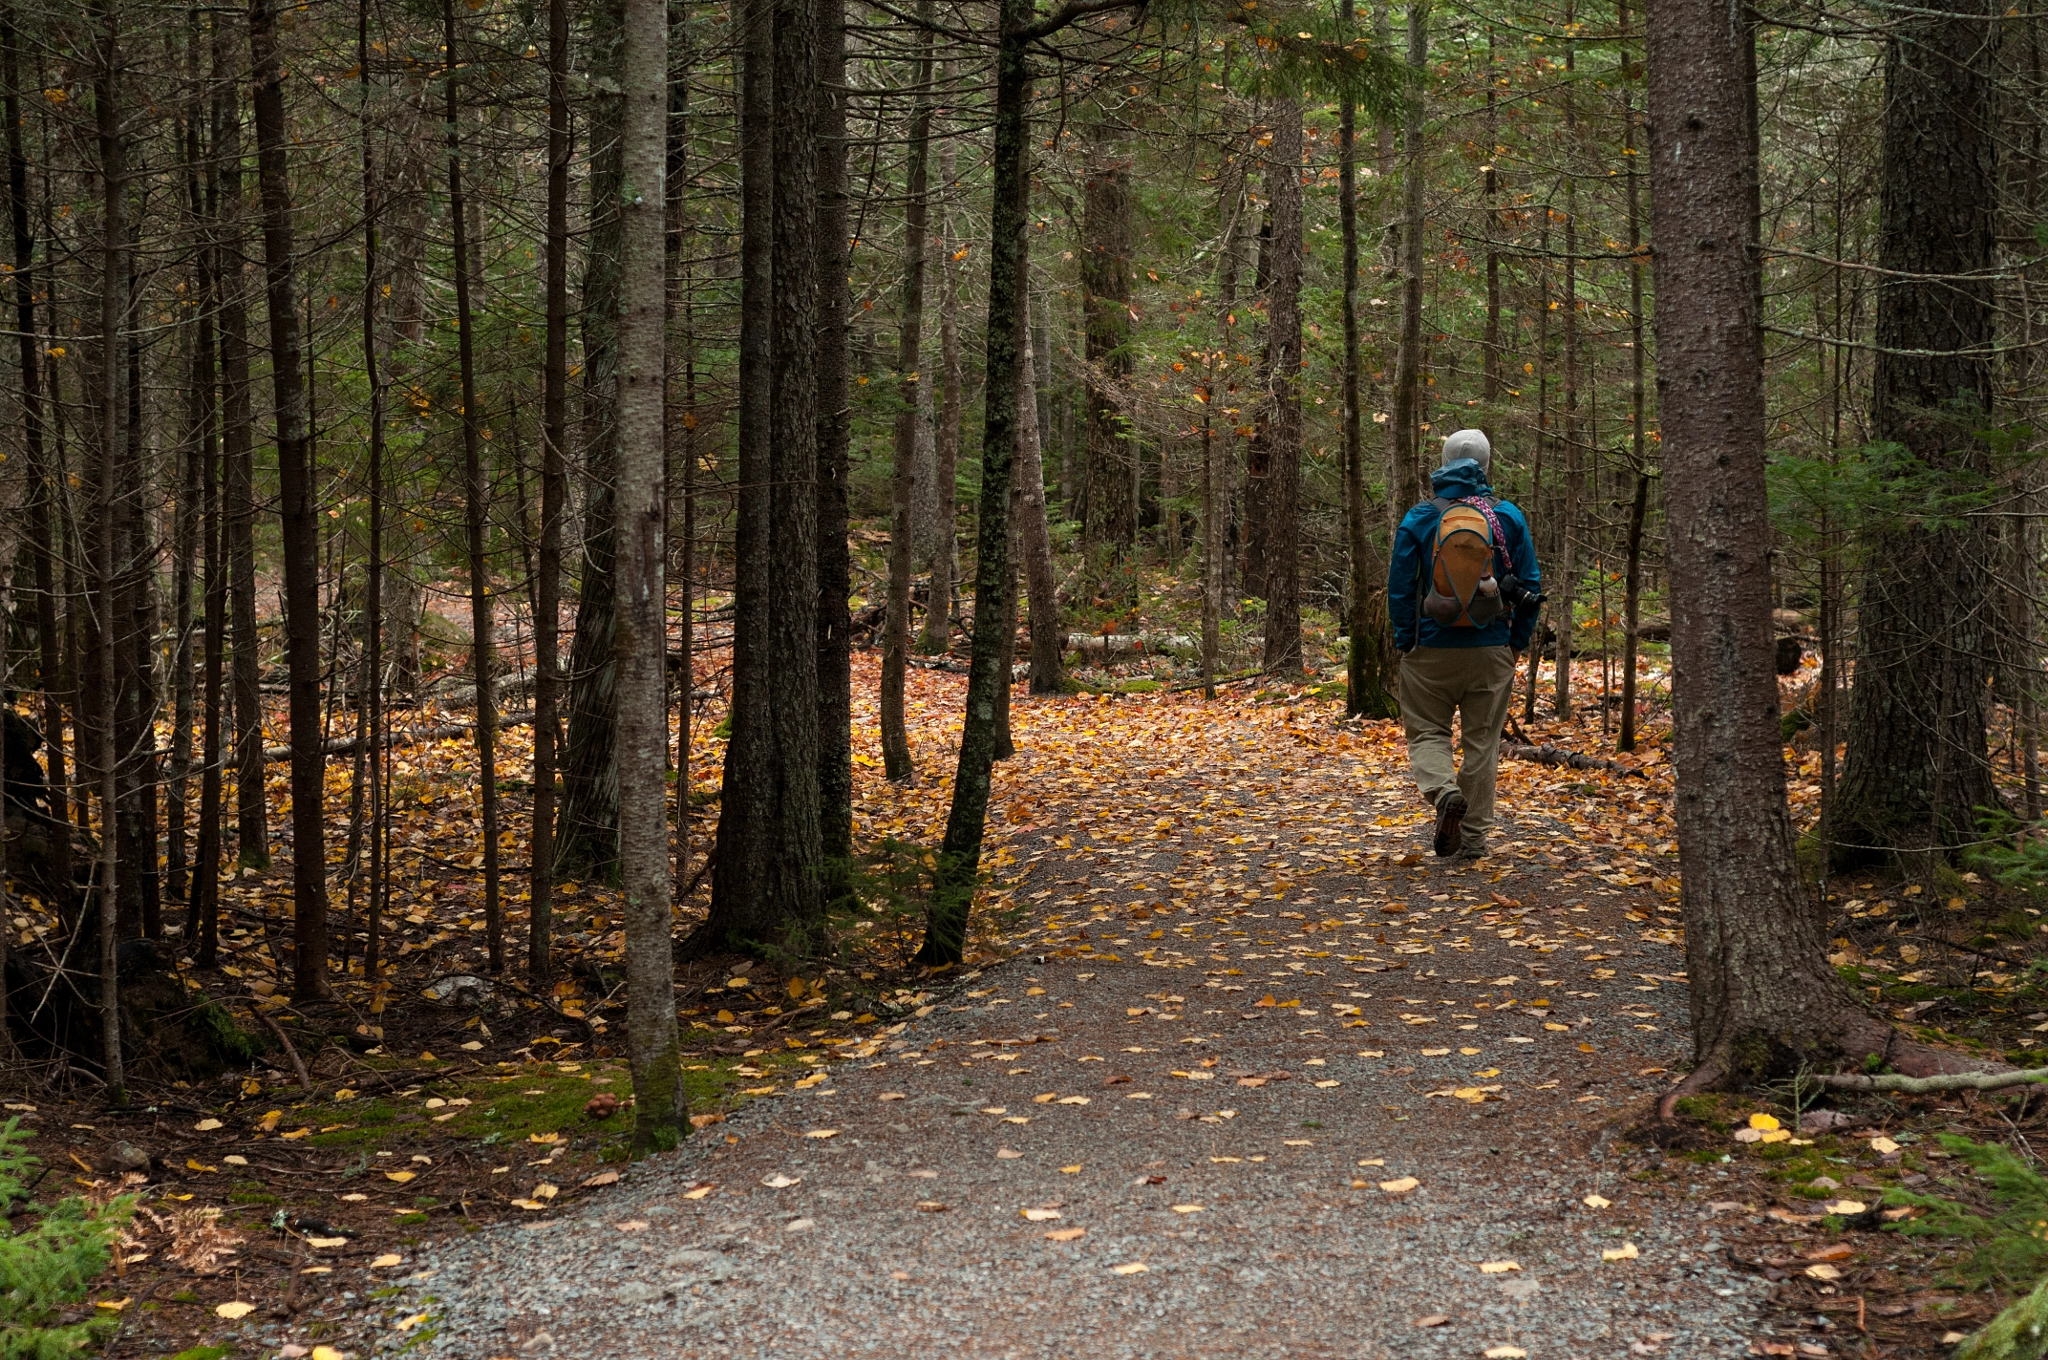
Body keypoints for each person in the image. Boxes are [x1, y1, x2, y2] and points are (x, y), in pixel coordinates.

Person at [1386, 430, 1542, 858]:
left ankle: (1442, 792)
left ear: (1443, 462)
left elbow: (1400, 588)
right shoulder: (1506, 516)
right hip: (1491, 646)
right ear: (1487, 467)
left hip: (1431, 647)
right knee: (1482, 744)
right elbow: (1530, 585)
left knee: (1427, 734)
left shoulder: (1420, 517)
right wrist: (1515, 643)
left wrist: (1406, 640)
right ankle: (1473, 840)